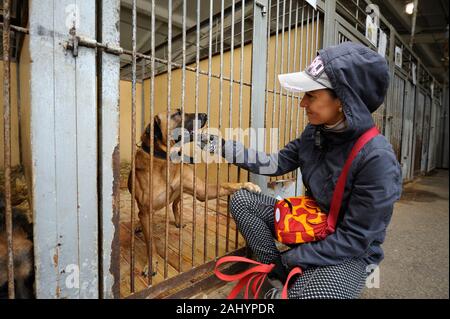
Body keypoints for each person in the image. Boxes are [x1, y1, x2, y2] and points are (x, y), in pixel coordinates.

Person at [206, 42, 402, 299]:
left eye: (311, 95)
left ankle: (292, 280)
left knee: (309, 295)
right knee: (243, 200)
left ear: (343, 100)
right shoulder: (315, 132)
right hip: (309, 225)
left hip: (348, 250)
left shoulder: (377, 160)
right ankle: (277, 273)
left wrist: (295, 257)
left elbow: (355, 240)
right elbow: (274, 163)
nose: (302, 103)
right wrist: (220, 145)